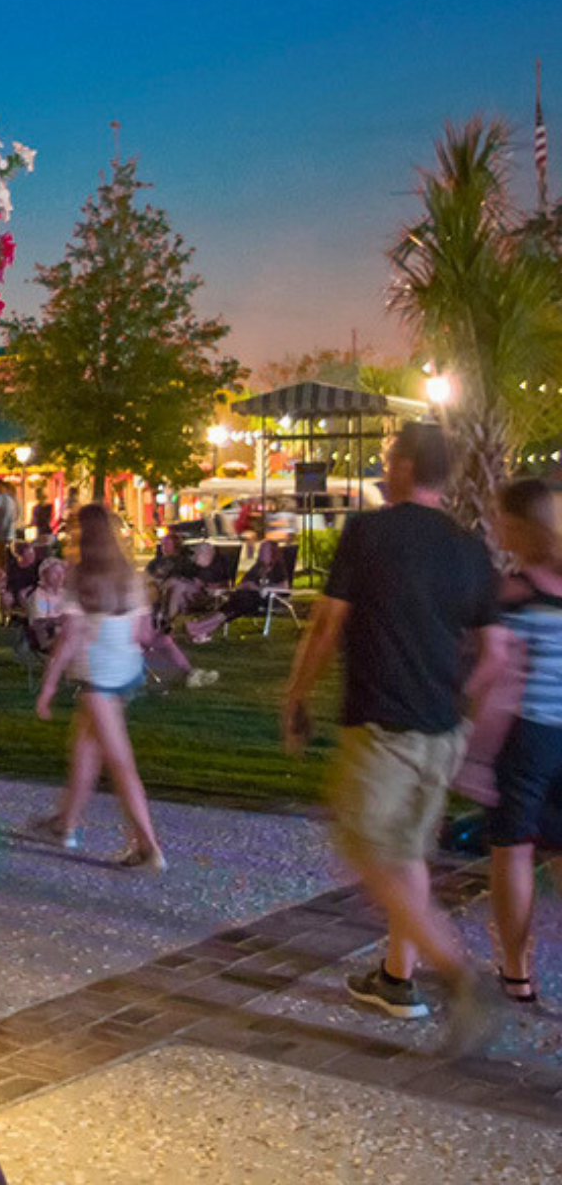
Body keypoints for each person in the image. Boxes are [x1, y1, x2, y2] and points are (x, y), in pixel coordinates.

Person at [284, 423, 505, 1051]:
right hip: (443, 732)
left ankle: (458, 973)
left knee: (367, 849)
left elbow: (328, 623)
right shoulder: (470, 548)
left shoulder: (371, 531)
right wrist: (463, 711)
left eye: (389, 457)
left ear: (407, 465)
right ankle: (396, 980)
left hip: (385, 726)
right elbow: (494, 653)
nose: (385, 466)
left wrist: (296, 694)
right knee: (407, 853)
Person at [31, 504, 168, 871]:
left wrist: (48, 686)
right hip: (126, 672)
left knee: (120, 762)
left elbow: (70, 638)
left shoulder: (81, 578)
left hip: (98, 677)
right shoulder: (131, 575)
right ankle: (65, 823)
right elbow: (143, 633)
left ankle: (148, 846)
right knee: (85, 748)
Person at [482, 479, 562, 1006]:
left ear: (517, 526)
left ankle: (517, 971)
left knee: (513, 850)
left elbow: (493, 668)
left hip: (527, 734)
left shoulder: (514, 591)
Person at [186, 538, 290, 643]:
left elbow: (284, 587)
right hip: (248, 599)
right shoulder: (257, 567)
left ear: (272, 552)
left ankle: (200, 627)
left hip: (267, 600)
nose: (261, 552)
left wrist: (259, 588)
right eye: (261, 550)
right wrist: (248, 585)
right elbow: (241, 584)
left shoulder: (278, 568)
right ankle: (202, 630)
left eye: (264, 550)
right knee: (236, 601)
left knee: (238, 602)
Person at [0, 480, 18, 577]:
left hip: (0, 536)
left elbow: (3, 514)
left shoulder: (2, 498)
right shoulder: (7, 498)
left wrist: (1, 534)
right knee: (3, 561)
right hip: (3, 535)